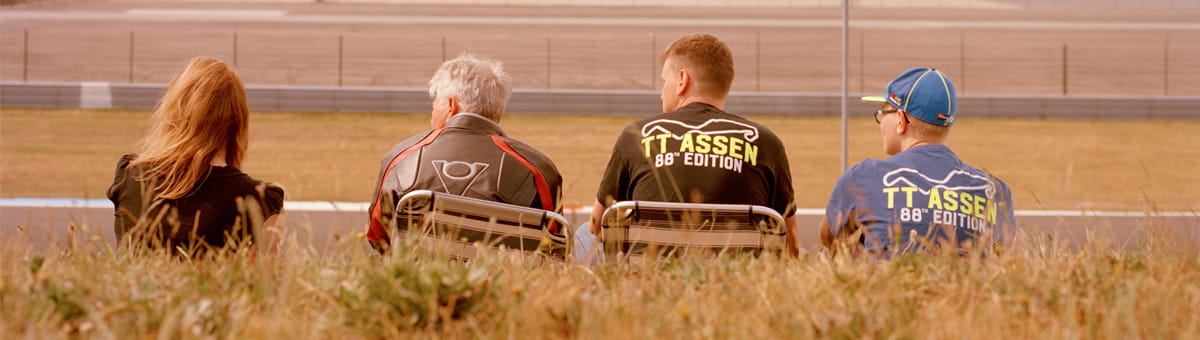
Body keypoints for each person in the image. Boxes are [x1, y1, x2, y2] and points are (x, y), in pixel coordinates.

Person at [574, 34, 798, 264]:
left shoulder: (637, 134)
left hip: (647, 279)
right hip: (734, 283)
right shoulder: (766, 142)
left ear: (682, 80)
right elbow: (790, 245)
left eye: (664, 82)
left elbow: (597, 225)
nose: (662, 92)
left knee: (583, 232)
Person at [366, 53, 563, 252]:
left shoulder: (402, 156)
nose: (432, 114)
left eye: (435, 105)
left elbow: (378, 237)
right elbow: (554, 247)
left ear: (451, 105)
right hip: (503, 281)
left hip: (416, 280)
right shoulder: (537, 167)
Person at [820, 67, 1016, 257]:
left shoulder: (863, 176)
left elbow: (830, 241)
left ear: (900, 120)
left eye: (883, 113)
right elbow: (1003, 257)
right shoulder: (996, 190)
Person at [108, 57, 285, 252]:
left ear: (174, 111)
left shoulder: (131, 174)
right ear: (239, 120)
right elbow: (264, 279)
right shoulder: (258, 199)